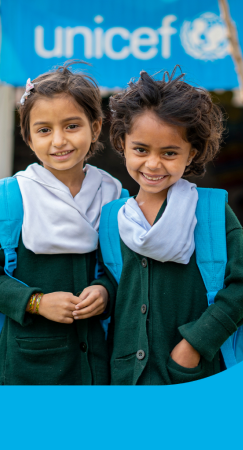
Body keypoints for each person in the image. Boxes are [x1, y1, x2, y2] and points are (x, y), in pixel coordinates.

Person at [0, 62, 124, 385]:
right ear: (27, 137)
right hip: (26, 366)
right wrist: (37, 302)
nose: (59, 141)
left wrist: (105, 292)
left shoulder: (112, 197)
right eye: (44, 130)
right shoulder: (13, 199)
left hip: (94, 364)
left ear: (95, 128)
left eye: (71, 126)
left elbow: (123, 270)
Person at [86, 68, 243, 385]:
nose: (153, 164)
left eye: (169, 153)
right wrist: (102, 291)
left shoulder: (212, 213)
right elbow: (119, 282)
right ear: (122, 143)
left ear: (192, 153)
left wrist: (195, 343)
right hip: (128, 377)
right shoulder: (113, 219)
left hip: (195, 374)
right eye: (141, 149)